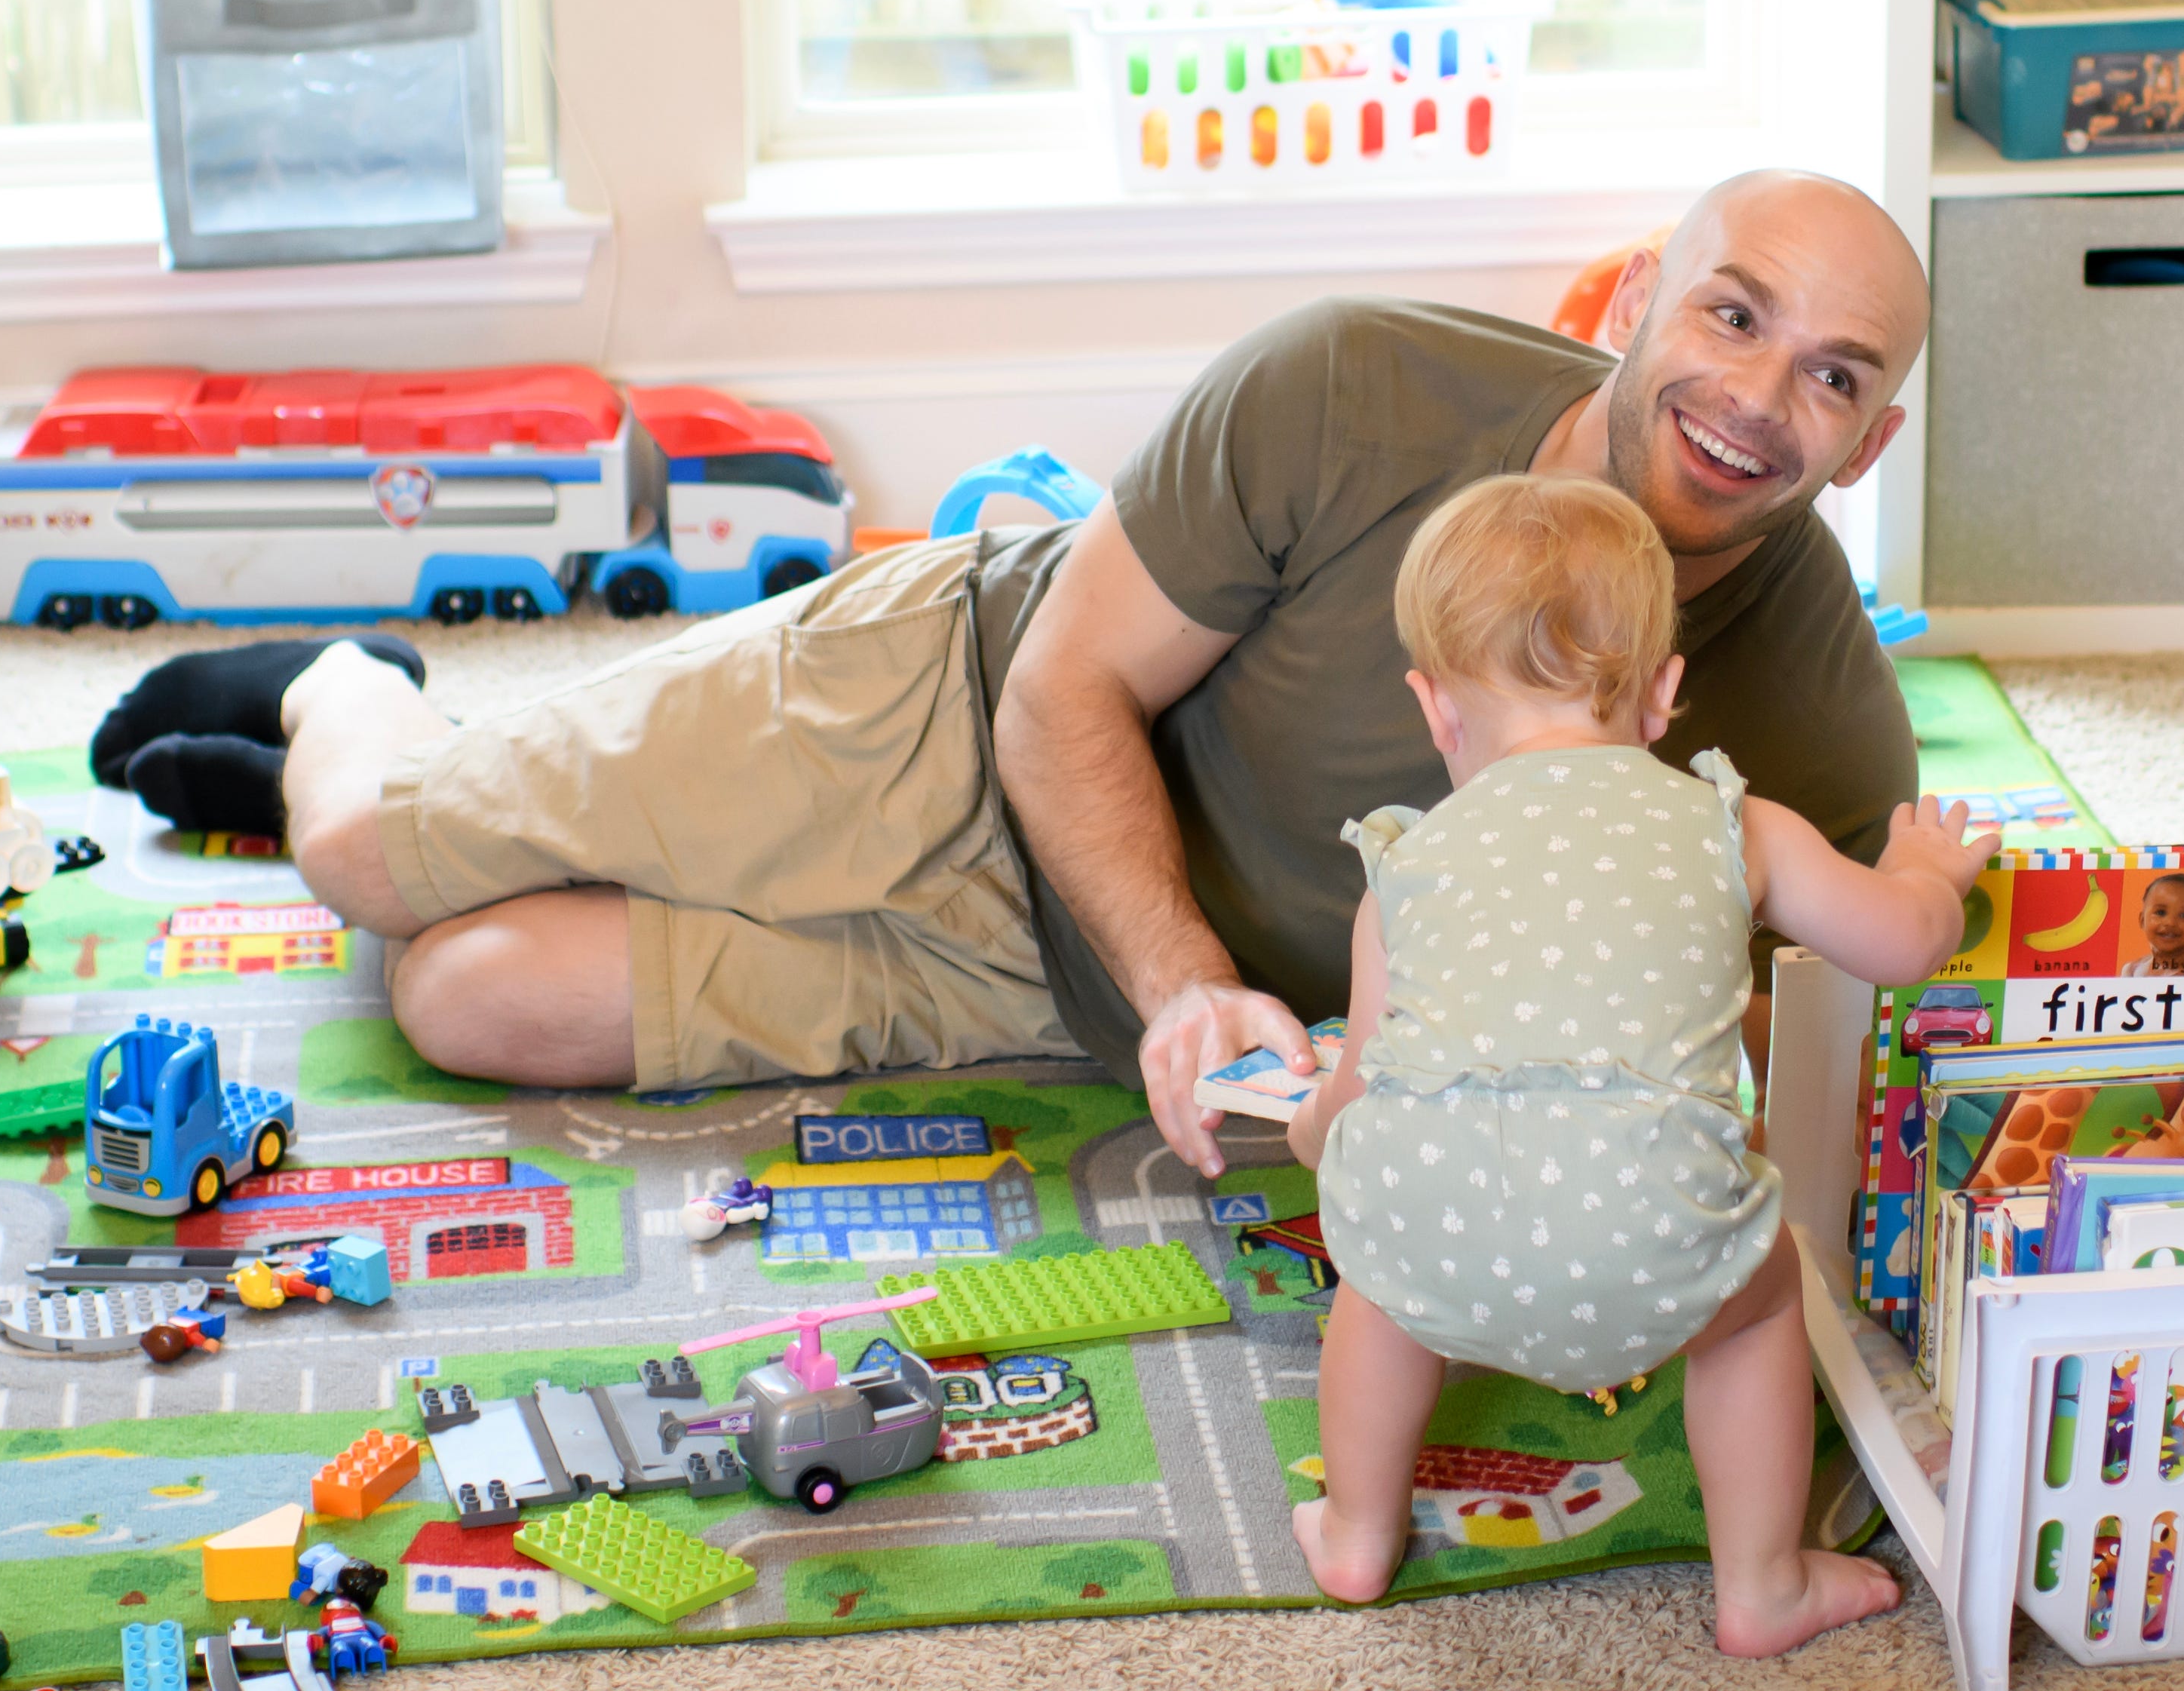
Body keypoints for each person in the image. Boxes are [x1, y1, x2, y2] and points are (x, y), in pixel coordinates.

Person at [137, 171, 1934, 1161]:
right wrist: (1184, 981)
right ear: (1634, 305)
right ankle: (345, 688)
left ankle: (413, 768)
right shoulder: (1353, 386)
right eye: (1732, 311)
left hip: (1032, 985)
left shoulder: (1819, 715)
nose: (1760, 397)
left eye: (1836, 374)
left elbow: (1786, 1023)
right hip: (936, 708)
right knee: (368, 860)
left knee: (466, 999)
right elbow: (1067, 689)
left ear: (1871, 443)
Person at [1287, 474, 1986, 1658]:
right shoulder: (1733, 822)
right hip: (1656, 1242)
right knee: (1763, 1302)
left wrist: (1313, 1138)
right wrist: (1930, 870)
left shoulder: (1403, 866)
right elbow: (1905, 943)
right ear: (1663, 694)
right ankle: (1762, 1583)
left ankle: (1357, 1531)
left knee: (1376, 1269)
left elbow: (1358, 1086)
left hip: (1438, 1245)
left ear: (1435, 710)